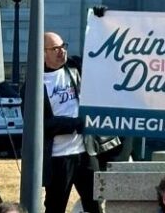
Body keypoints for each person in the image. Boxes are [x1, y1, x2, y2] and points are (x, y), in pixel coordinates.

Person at [32, 32, 124, 213]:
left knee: (95, 205)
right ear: (43, 53)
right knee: (55, 206)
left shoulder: (75, 67)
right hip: (59, 157)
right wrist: (75, 124)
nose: (61, 52)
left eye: (63, 46)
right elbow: (39, 124)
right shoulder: (34, 84)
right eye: (55, 49)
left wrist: (100, 19)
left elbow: (99, 57)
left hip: (85, 151)